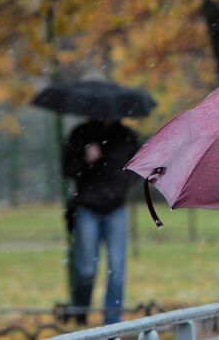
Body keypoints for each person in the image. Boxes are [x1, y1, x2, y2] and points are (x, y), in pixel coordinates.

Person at [63, 118, 139, 325]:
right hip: (87, 208)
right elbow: (68, 169)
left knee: (117, 268)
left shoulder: (127, 136)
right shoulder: (80, 134)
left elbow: (139, 167)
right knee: (86, 269)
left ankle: (112, 321)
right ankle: (81, 312)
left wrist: (121, 183)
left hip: (116, 209)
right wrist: (85, 160)